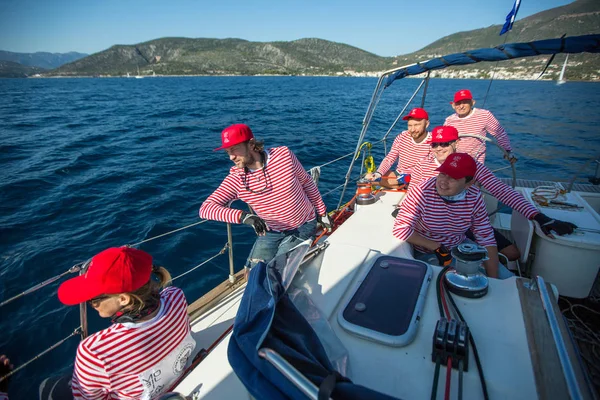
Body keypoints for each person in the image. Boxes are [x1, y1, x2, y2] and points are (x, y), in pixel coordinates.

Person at [409, 125, 577, 261]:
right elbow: (413, 199)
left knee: (512, 254)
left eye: (444, 144)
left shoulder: (472, 166)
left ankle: (483, 265)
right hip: (433, 226)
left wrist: (539, 217)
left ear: (456, 143)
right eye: (434, 144)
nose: (439, 148)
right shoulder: (421, 167)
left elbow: (502, 191)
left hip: (464, 222)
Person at [56, 247, 196, 399]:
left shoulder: (94, 351)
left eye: (93, 300)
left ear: (123, 299)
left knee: (50, 387)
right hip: (179, 377)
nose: (89, 303)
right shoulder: (176, 296)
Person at [199, 123, 331, 269]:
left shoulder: (283, 156)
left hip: (303, 225)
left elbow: (306, 181)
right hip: (271, 231)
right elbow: (206, 209)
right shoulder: (236, 179)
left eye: (234, 150)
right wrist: (245, 217)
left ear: (250, 144)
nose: (231, 157)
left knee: (277, 271)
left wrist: (322, 212)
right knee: (252, 272)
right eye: (228, 152)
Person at [393, 153, 510, 279]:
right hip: (428, 251)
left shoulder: (474, 196)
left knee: (506, 280)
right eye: (442, 173)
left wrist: (495, 279)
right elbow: (400, 229)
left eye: (453, 177)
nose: (443, 181)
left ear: (469, 183)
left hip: (459, 246)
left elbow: (485, 236)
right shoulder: (422, 191)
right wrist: (436, 247)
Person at [364, 107, 431, 186]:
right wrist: (378, 173)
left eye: (416, 125)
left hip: (420, 178)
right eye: (410, 125)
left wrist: (411, 177)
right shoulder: (402, 137)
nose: (412, 129)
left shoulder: (434, 142)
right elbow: (390, 158)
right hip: (400, 175)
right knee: (368, 178)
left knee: (381, 181)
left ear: (426, 124)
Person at [444, 89, 514, 164]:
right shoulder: (449, 120)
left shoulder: (484, 115)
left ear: (472, 103)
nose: (461, 106)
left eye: (465, 102)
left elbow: (499, 133)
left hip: (476, 162)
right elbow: (443, 141)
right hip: (455, 161)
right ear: (453, 106)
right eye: (458, 103)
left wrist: (507, 151)